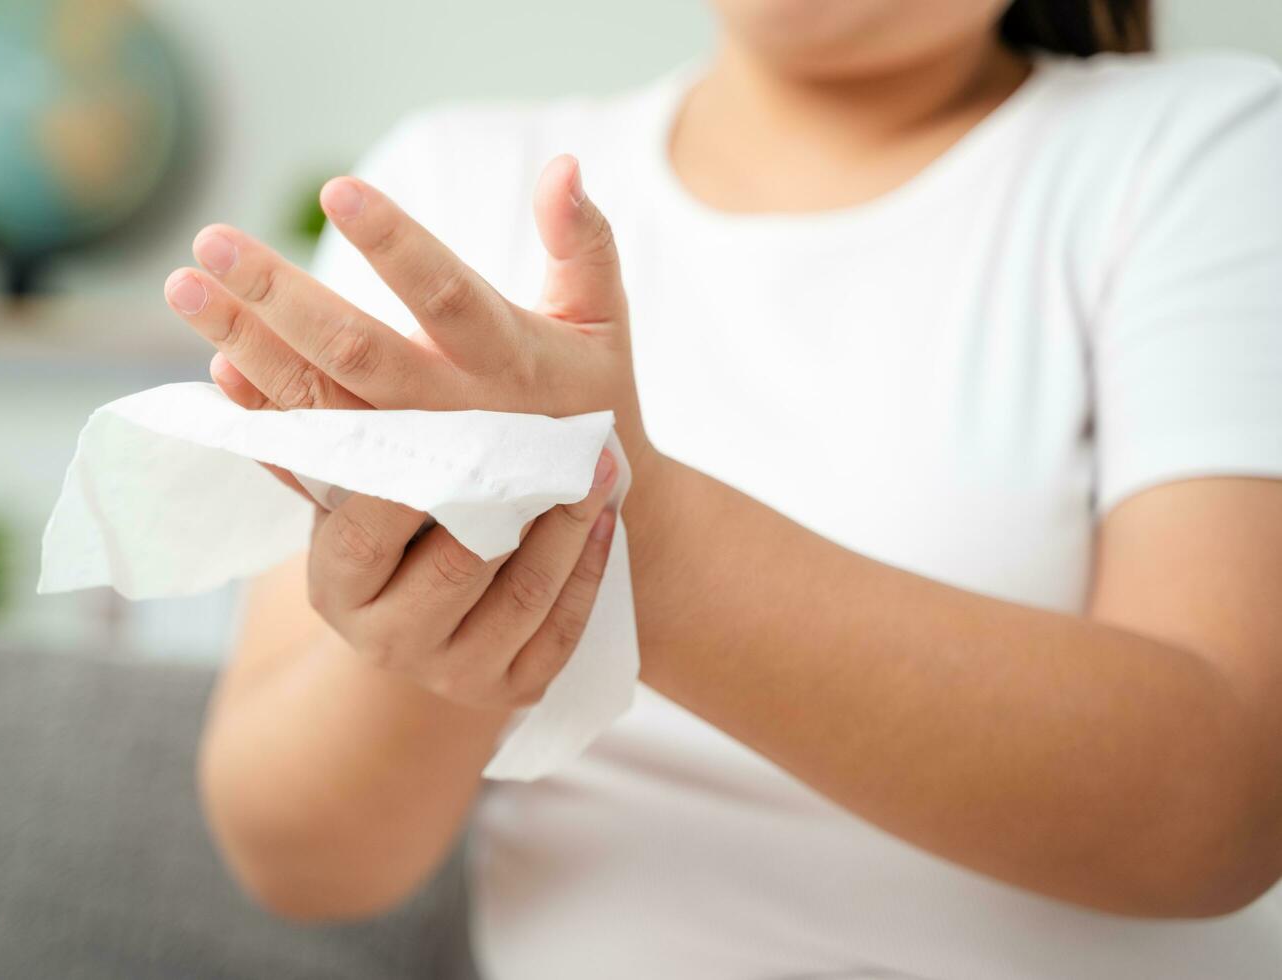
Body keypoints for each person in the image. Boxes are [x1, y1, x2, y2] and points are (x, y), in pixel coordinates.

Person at [162, 1, 1282, 976]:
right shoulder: (448, 188)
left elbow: (1225, 808)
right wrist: (454, 601)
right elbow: (295, 856)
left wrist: (634, 527)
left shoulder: (1203, 148)